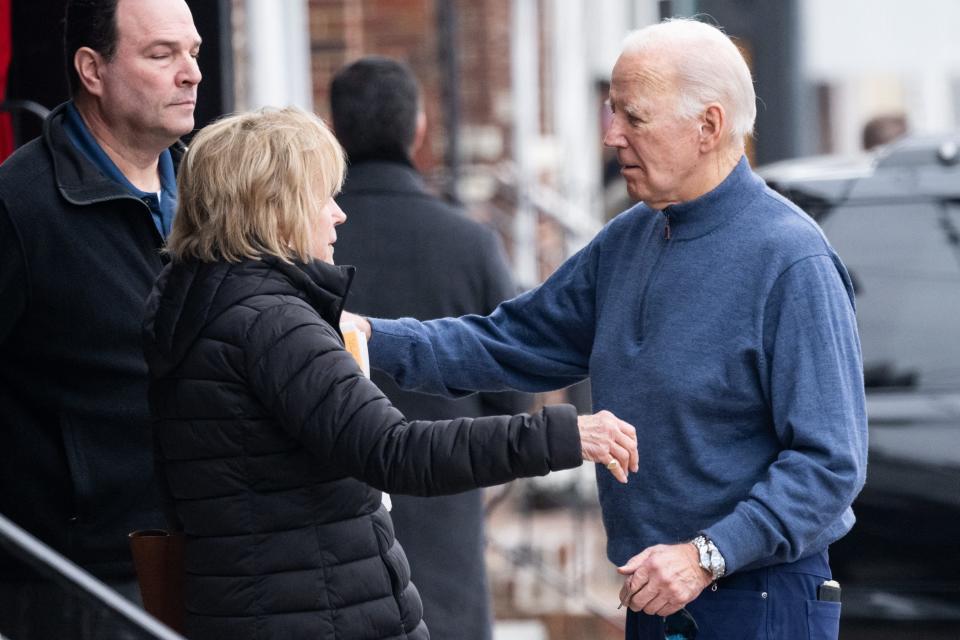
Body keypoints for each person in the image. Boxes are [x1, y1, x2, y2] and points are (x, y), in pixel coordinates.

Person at [345, 18, 868, 640]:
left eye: (634, 117)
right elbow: (505, 342)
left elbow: (829, 464)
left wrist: (708, 554)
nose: (612, 136)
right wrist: (366, 337)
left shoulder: (792, 262)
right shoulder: (629, 239)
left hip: (756, 596)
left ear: (709, 126)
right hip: (658, 594)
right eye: (609, 112)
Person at [141, 106, 638, 640]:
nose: (339, 214)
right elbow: (396, 452)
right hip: (318, 615)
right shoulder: (273, 323)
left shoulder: (196, 306)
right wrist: (564, 434)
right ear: (274, 206)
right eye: (322, 195)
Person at [0, 0, 201, 636]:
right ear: (92, 68)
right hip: (75, 586)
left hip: (212, 562)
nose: (191, 72)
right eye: (161, 53)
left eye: (193, 51)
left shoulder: (211, 196)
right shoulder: (18, 207)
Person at [330, 55, 527, 640]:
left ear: (335, 131)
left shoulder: (311, 243)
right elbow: (513, 400)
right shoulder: (471, 244)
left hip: (337, 527)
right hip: (447, 524)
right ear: (418, 129)